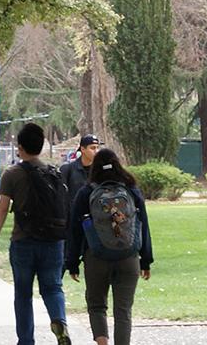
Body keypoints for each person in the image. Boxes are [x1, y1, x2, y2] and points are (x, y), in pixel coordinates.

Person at [0, 123, 73, 345]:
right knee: (53, 287)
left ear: (20, 147)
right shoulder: (54, 173)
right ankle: (59, 322)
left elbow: (3, 208)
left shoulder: (13, 174)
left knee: (23, 294)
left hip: (23, 241)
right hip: (53, 242)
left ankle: (26, 340)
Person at [63, 148, 153, 345]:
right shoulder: (132, 191)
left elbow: (75, 231)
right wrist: (146, 260)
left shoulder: (86, 193)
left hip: (95, 257)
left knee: (96, 306)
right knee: (123, 311)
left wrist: (72, 263)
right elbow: (143, 226)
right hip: (128, 257)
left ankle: (102, 343)